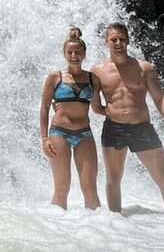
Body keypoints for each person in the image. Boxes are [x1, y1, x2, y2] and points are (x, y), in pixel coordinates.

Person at [90, 22, 164, 218]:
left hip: (142, 128)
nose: (118, 43)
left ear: (128, 41)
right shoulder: (97, 71)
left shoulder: (144, 67)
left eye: (122, 39)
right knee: (113, 178)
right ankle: (116, 224)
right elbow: (95, 106)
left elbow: (159, 98)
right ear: (106, 42)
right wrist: (113, 113)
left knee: (162, 177)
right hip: (113, 129)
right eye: (114, 39)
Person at [39, 27, 101, 210]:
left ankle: (100, 230)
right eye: (70, 52)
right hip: (59, 133)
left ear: (84, 54)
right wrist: (44, 139)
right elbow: (43, 109)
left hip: (85, 134)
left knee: (90, 188)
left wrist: (118, 112)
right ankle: (57, 233)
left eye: (78, 52)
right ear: (64, 54)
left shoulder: (93, 79)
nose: (74, 55)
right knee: (62, 187)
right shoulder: (55, 77)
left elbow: (97, 107)